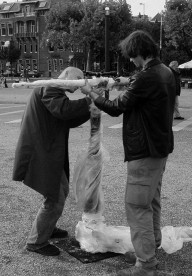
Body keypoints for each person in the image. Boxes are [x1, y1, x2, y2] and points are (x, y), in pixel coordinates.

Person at [81, 30, 175, 276]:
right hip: (160, 148)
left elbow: (116, 107)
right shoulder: (165, 71)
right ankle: (149, 248)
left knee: (137, 205)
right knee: (150, 201)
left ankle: (146, 264)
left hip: (144, 150)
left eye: (132, 56)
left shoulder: (147, 77)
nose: (131, 60)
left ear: (139, 52)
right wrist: (121, 81)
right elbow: (137, 81)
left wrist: (91, 94)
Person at [12, 67, 91, 257]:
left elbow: (66, 117)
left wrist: (93, 105)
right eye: (78, 79)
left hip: (45, 148)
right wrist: (91, 100)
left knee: (59, 191)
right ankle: (36, 241)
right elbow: (64, 111)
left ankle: (48, 227)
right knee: (54, 197)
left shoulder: (53, 88)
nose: (80, 84)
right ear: (66, 76)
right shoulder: (50, 88)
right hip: (41, 150)